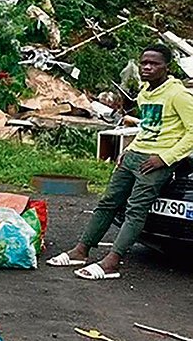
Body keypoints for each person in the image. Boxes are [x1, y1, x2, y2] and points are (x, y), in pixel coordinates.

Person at [48, 44, 193, 280]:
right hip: (135, 155)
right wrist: (129, 150)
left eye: (154, 63)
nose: (147, 67)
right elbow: (148, 128)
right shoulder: (145, 93)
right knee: (108, 203)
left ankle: (112, 262)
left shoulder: (178, 94)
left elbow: (192, 132)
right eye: (144, 62)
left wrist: (164, 158)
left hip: (157, 161)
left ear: (167, 67)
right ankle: (81, 250)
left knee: (136, 210)